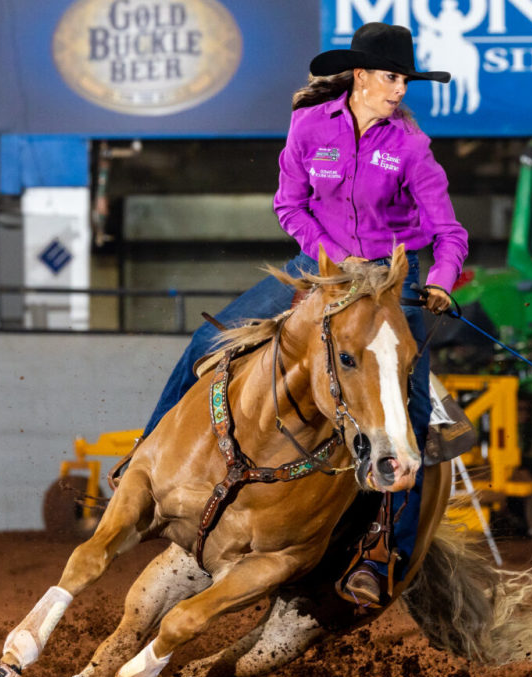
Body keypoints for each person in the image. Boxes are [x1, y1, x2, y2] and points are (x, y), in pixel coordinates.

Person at [137, 22, 467, 606]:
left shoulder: (411, 146)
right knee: (207, 341)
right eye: (392, 78)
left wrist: (439, 281)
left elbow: (448, 232)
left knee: (410, 417)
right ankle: (141, 460)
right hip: (319, 267)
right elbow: (289, 204)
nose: (400, 90)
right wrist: (334, 262)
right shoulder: (311, 126)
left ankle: (381, 550)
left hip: (392, 280)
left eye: (404, 81)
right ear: (361, 77)